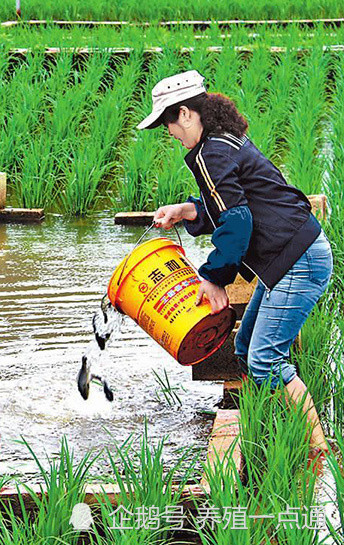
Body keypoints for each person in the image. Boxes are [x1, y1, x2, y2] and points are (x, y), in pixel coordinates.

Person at [137, 70, 334, 468]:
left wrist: (213, 277)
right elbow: (229, 204)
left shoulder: (212, 152)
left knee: (265, 360)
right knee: (246, 347)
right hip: (291, 255)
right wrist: (186, 210)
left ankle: (319, 449)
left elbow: (238, 220)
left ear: (187, 114)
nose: (170, 133)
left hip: (297, 260)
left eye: (168, 124)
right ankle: (269, 423)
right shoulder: (222, 143)